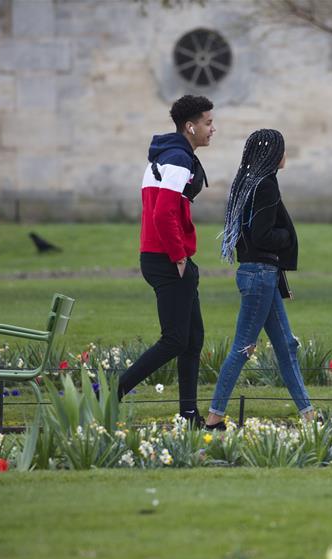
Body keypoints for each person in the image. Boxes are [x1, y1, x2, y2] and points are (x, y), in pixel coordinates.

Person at [115, 95, 215, 427]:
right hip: (168, 259)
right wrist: (179, 256)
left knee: (193, 339)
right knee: (175, 339)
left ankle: (189, 415)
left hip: (167, 257)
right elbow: (162, 213)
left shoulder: (173, 154)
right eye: (207, 122)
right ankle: (111, 394)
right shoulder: (176, 158)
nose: (212, 129)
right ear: (191, 126)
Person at [206, 129, 314, 430]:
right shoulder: (265, 187)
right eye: (282, 149)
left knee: (286, 346)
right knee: (243, 347)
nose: (285, 155)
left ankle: (309, 415)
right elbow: (262, 235)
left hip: (259, 274)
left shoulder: (249, 183)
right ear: (272, 154)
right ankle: (214, 419)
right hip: (260, 276)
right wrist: (288, 237)